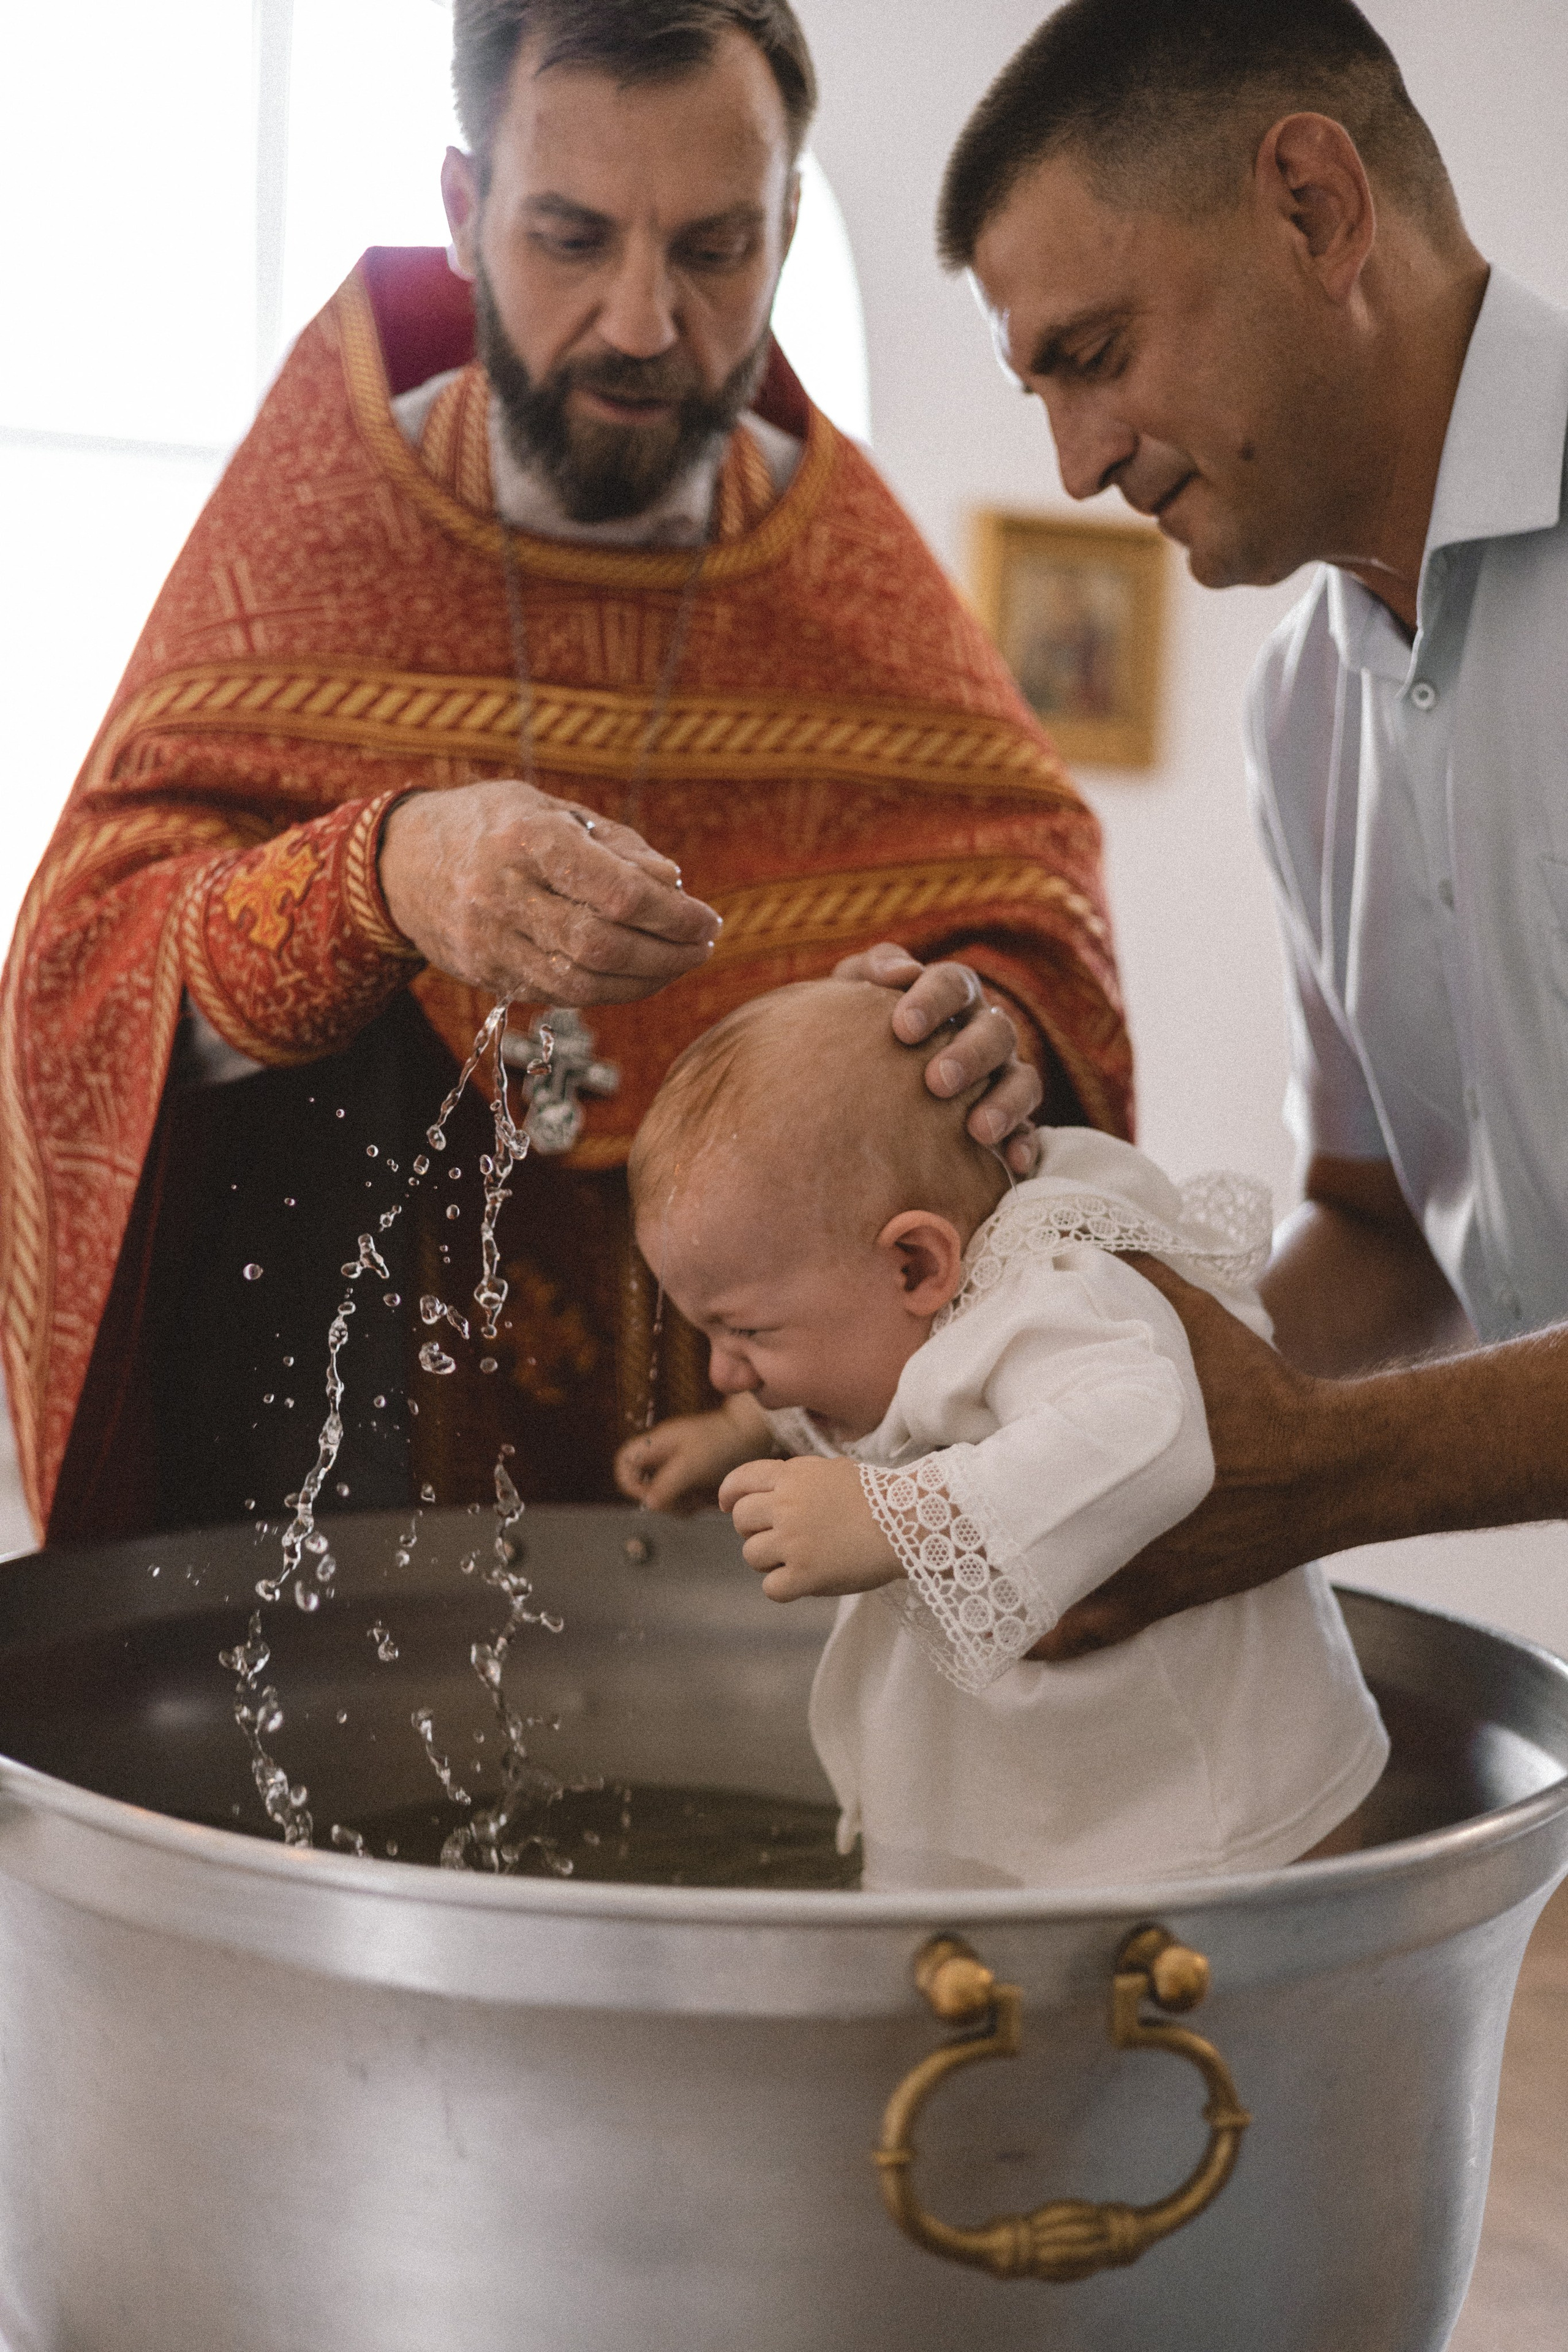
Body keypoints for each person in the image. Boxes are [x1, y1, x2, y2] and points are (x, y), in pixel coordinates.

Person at [0, 0, 1133, 1545]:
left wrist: (981, 1030)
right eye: (572, 237)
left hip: (769, 1534)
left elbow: (1034, 944)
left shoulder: (850, 589)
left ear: (789, 226)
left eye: (716, 250)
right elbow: (88, 969)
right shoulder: (320, 524)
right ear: (464, 216)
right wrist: (379, 875)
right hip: (331, 1509)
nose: (644, 322)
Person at [935, 0, 1568, 1659]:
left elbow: (1324, 1454)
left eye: (1096, 354)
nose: (1075, 466)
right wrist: (1102, 1411)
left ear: (1315, 208)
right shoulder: (1301, 711)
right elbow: (1382, 1228)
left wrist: (1318, 1474)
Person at [616, 980, 1385, 1889]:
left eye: (745, 1334)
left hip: (1209, 1821)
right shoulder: (912, 1295)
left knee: (1159, 2009)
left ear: (917, 1262)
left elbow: (1150, 1429)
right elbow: (869, 1385)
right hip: (1048, 1773)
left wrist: (892, 1519)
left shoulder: (1055, 1301)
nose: (721, 1365)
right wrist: (741, 1428)